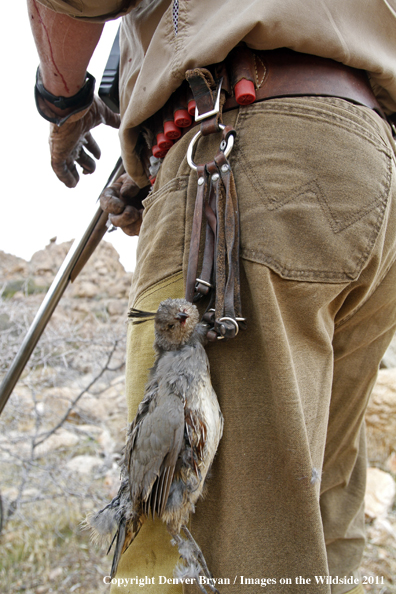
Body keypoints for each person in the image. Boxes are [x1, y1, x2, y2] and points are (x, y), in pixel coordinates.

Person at [28, 1, 396, 593]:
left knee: (197, 548)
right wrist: (149, 162)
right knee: (314, 533)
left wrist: (63, 101)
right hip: (367, 164)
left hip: (241, 148)